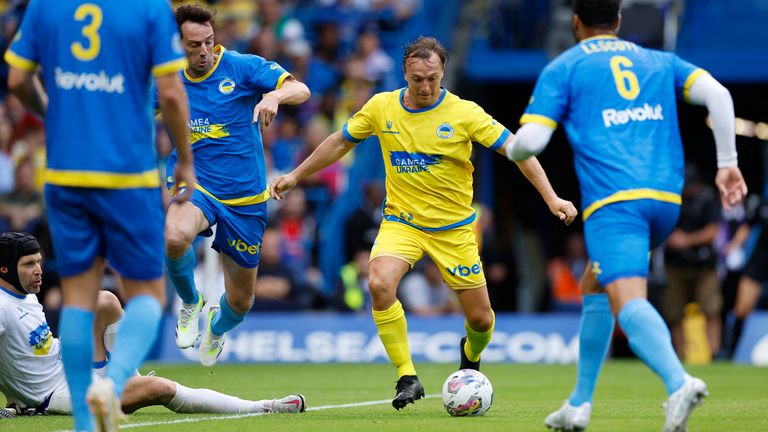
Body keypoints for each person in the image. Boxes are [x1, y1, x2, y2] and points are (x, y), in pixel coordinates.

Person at [271, 36, 578, 410]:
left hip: (455, 230)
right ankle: (407, 376)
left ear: (442, 72)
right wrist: (295, 175)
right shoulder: (382, 107)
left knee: (481, 321)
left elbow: (518, 151)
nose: (425, 87)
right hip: (403, 223)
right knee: (379, 282)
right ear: (405, 73)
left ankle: (470, 358)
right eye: (417, 79)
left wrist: (552, 197)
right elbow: (339, 141)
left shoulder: (465, 113)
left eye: (432, 78)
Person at [504, 1, 748, 430]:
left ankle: (679, 383)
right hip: (665, 204)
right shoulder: (658, 60)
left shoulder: (564, 68)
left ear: (575, 22)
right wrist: (727, 162)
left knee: (628, 300)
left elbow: (532, 143)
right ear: (617, 21)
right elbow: (719, 95)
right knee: (594, 282)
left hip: (615, 206)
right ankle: (578, 404)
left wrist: (511, 146)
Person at [4, 0, 196, 431]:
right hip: (128, 174)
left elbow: (17, 78)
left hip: (66, 173)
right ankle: (112, 384)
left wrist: (53, 111)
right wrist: (184, 159)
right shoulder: (148, 10)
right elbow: (170, 92)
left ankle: (85, 426)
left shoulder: (46, 7)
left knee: (78, 298)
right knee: (148, 296)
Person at [0, 232, 306, 419]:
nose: (39, 271)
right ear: (4, 269)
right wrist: (22, 398)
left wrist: (12, 398)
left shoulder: (24, 295)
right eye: (29, 265)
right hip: (59, 392)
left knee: (104, 300)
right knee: (160, 388)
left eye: (39, 262)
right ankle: (263, 407)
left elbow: (18, 353)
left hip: (71, 364)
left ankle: (128, 377)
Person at [161, 4, 310, 367]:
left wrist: (275, 95)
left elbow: (301, 89)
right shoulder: (166, 78)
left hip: (245, 197)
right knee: (175, 235)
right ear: (178, 43)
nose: (203, 51)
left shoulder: (241, 67)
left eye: (209, 41)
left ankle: (216, 327)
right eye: (194, 44)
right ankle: (190, 301)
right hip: (196, 181)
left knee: (241, 301)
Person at [662, 165, 722, 359]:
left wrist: (686, 240)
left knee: (711, 309)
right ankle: (680, 356)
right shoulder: (670, 197)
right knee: (674, 312)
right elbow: (658, 222)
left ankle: (716, 353)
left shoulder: (708, 198)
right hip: (675, 265)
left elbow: (714, 232)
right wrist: (669, 237)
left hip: (704, 265)